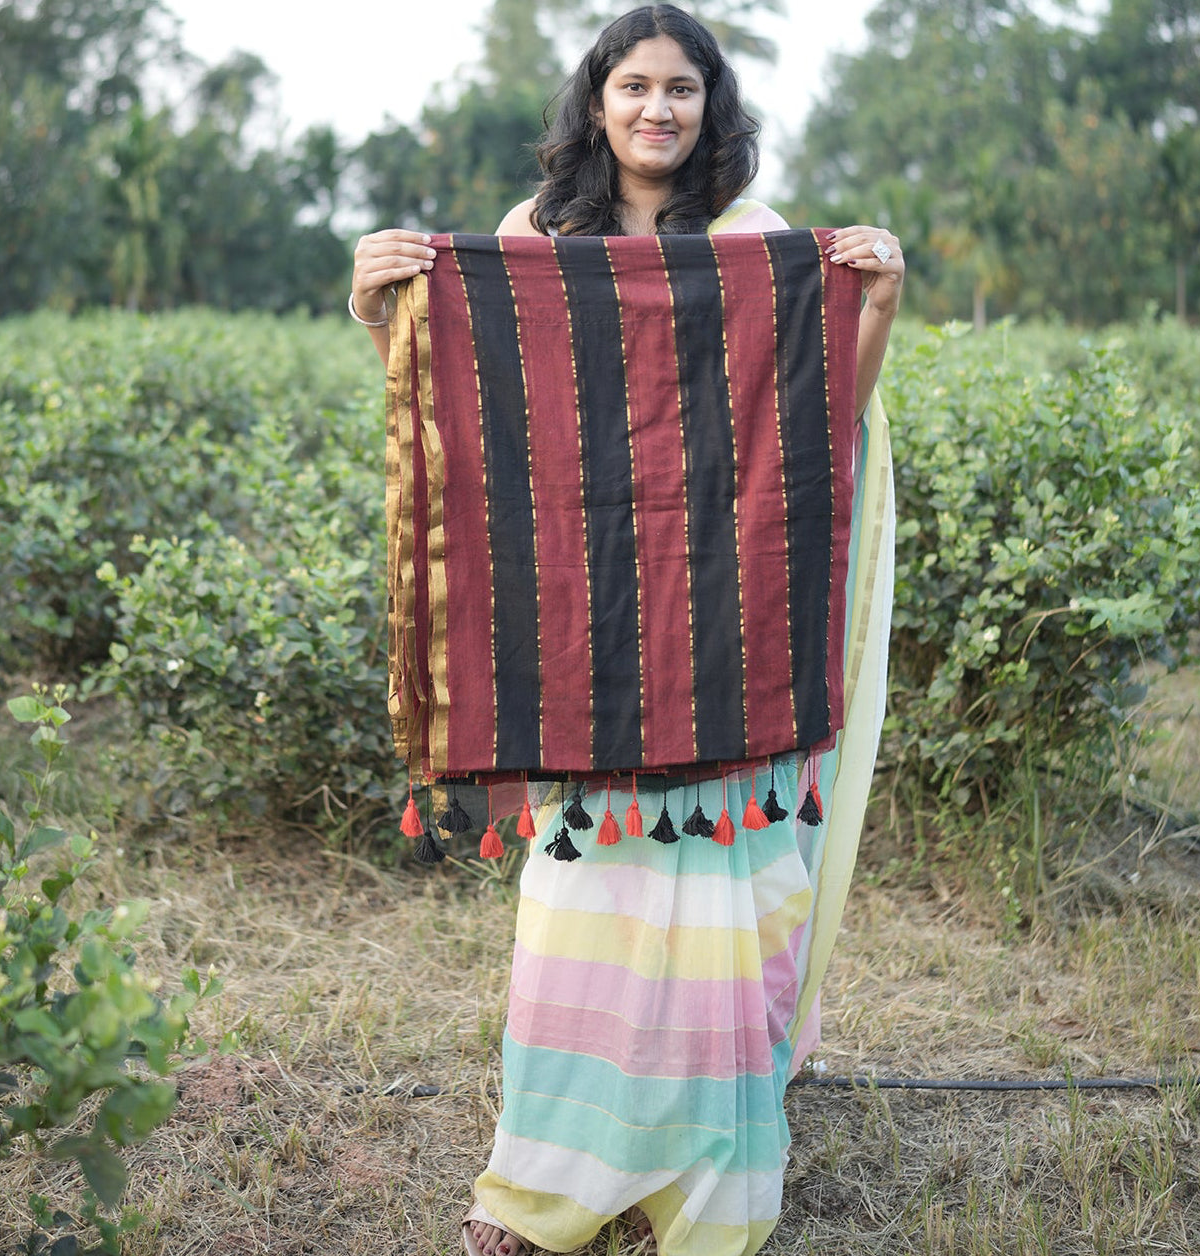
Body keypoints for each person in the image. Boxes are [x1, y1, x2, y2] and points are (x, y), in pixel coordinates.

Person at [350, 7, 903, 1254]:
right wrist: (378, 307)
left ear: (714, 107)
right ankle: (549, 1181)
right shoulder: (531, 244)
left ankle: (706, 1185)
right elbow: (473, 413)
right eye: (635, 86)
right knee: (584, 914)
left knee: (721, 909)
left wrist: (872, 309)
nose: (659, 110)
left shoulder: (758, 246)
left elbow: (819, 429)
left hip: (731, 634)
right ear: (595, 101)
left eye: (684, 90)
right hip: (589, 648)